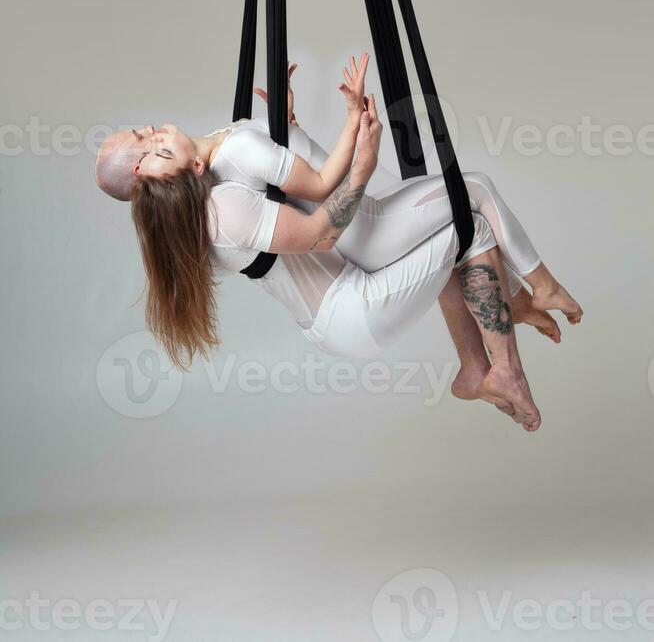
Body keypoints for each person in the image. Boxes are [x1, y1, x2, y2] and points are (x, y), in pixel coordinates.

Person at [96, 57, 583, 433]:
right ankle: (525, 319)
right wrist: (362, 162)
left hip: (349, 284)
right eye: (146, 141)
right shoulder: (219, 209)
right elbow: (320, 230)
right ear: (150, 174)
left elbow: (279, 177)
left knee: (452, 238)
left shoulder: (210, 177)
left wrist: (283, 124)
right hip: (350, 306)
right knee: (469, 212)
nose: (153, 129)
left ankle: (479, 365)